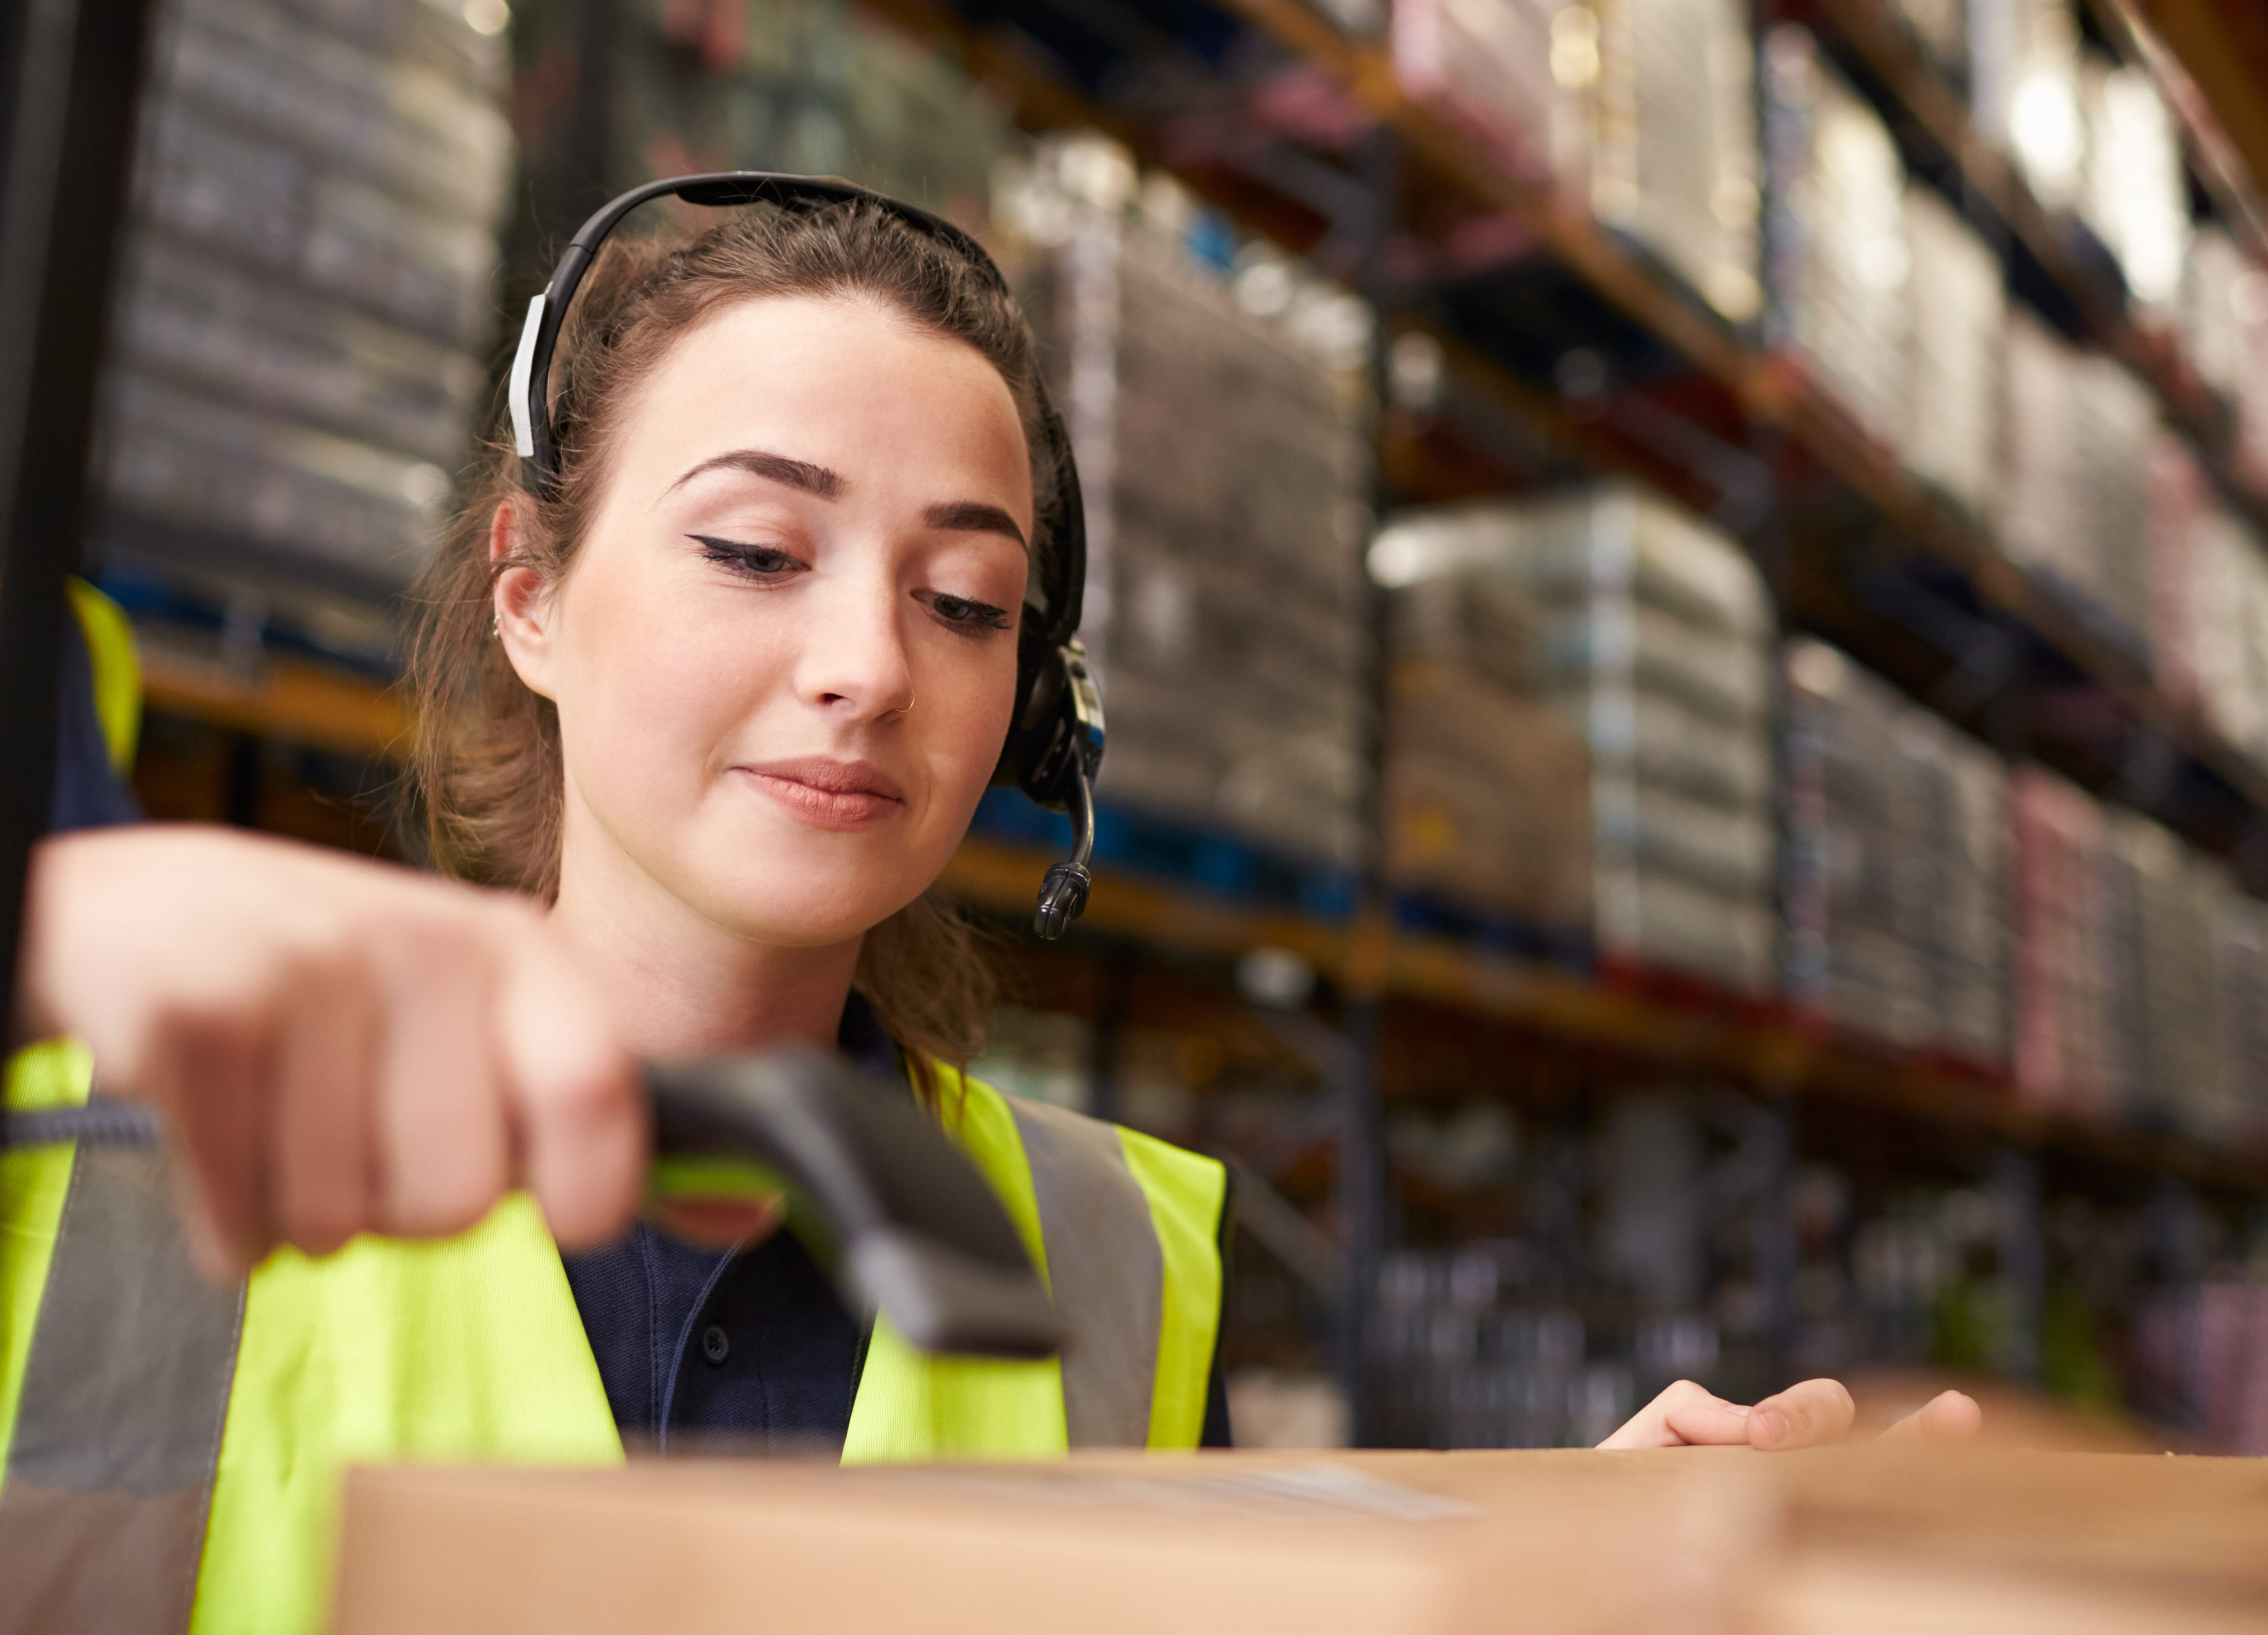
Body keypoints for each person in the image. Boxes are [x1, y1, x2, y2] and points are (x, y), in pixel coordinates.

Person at [6, 187, 1974, 1632]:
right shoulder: (90, 1141)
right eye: (757, 548)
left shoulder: (1122, 1261)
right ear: (530, 592)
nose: (867, 663)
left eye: (964, 602)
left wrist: (1564, 1559)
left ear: (1029, 700)